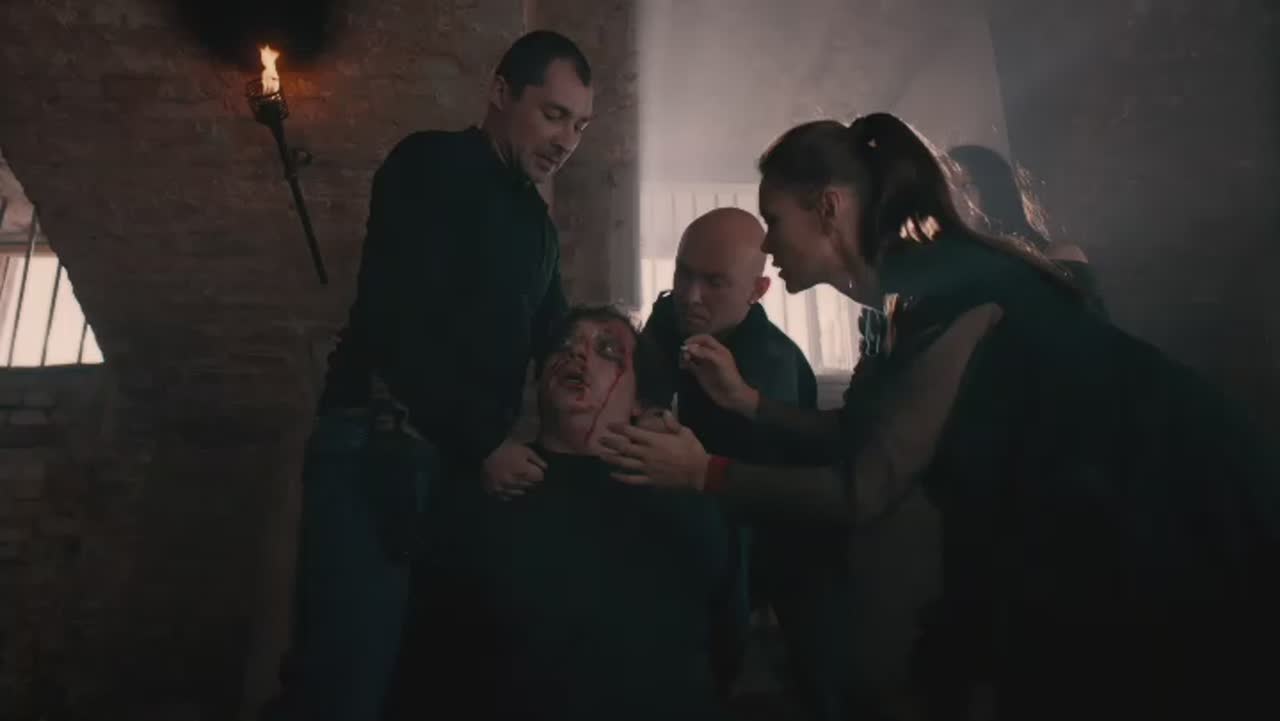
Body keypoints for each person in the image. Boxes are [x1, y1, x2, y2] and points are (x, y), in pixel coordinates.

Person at [601, 113, 1280, 720]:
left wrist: (703, 472)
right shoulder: (900, 303)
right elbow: (870, 430)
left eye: (774, 220)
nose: (768, 243)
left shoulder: (947, 296)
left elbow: (865, 486)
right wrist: (749, 403)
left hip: (1176, 502)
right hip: (1103, 525)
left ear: (828, 208)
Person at [268, 31, 593, 721]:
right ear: (501, 93)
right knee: (343, 688)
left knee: (422, 687)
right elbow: (398, 325)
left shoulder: (537, 228)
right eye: (554, 115)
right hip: (378, 447)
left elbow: (560, 339)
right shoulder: (431, 164)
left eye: (580, 126)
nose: (567, 140)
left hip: (452, 470)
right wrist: (485, 442)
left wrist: (634, 381)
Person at [385, 305, 749, 721]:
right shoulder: (485, 491)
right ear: (538, 378)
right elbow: (427, 654)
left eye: (607, 350)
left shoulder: (683, 497)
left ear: (640, 400)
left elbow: (726, 642)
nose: (577, 353)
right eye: (564, 345)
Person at [640, 207, 854, 720]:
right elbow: (647, 385)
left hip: (785, 525)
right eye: (683, 273)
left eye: (714, 282)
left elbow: (764, 500)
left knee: (815, 675)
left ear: (758, 290)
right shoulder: (671, 316)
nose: (691, 296)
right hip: (706, 507)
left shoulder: (770, 364)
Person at [947, 144, 1106, 315]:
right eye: (947, 189)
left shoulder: (1058, 258)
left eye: (967, 187)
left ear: (993, 191)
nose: (954, 199)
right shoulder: (951, 271)